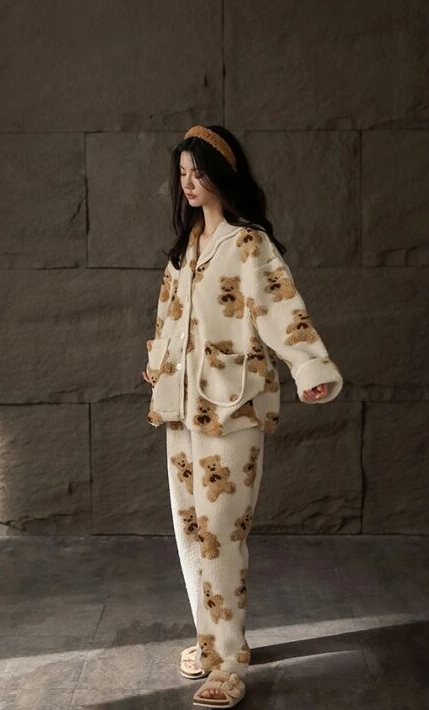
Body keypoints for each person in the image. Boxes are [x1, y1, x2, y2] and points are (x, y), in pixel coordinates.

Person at [142, 124, 343, 707]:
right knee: (190, 532)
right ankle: (211, 642)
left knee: (222, 534)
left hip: (233, 408)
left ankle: (229, 662)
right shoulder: (183, 252)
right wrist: (157, 363)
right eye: (182, 174)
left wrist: (308, 368)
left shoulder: (249, 244)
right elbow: (167, 316)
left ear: (222, 175)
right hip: (180, 408)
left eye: (198, 173)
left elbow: (283, 309)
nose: (188, 184)